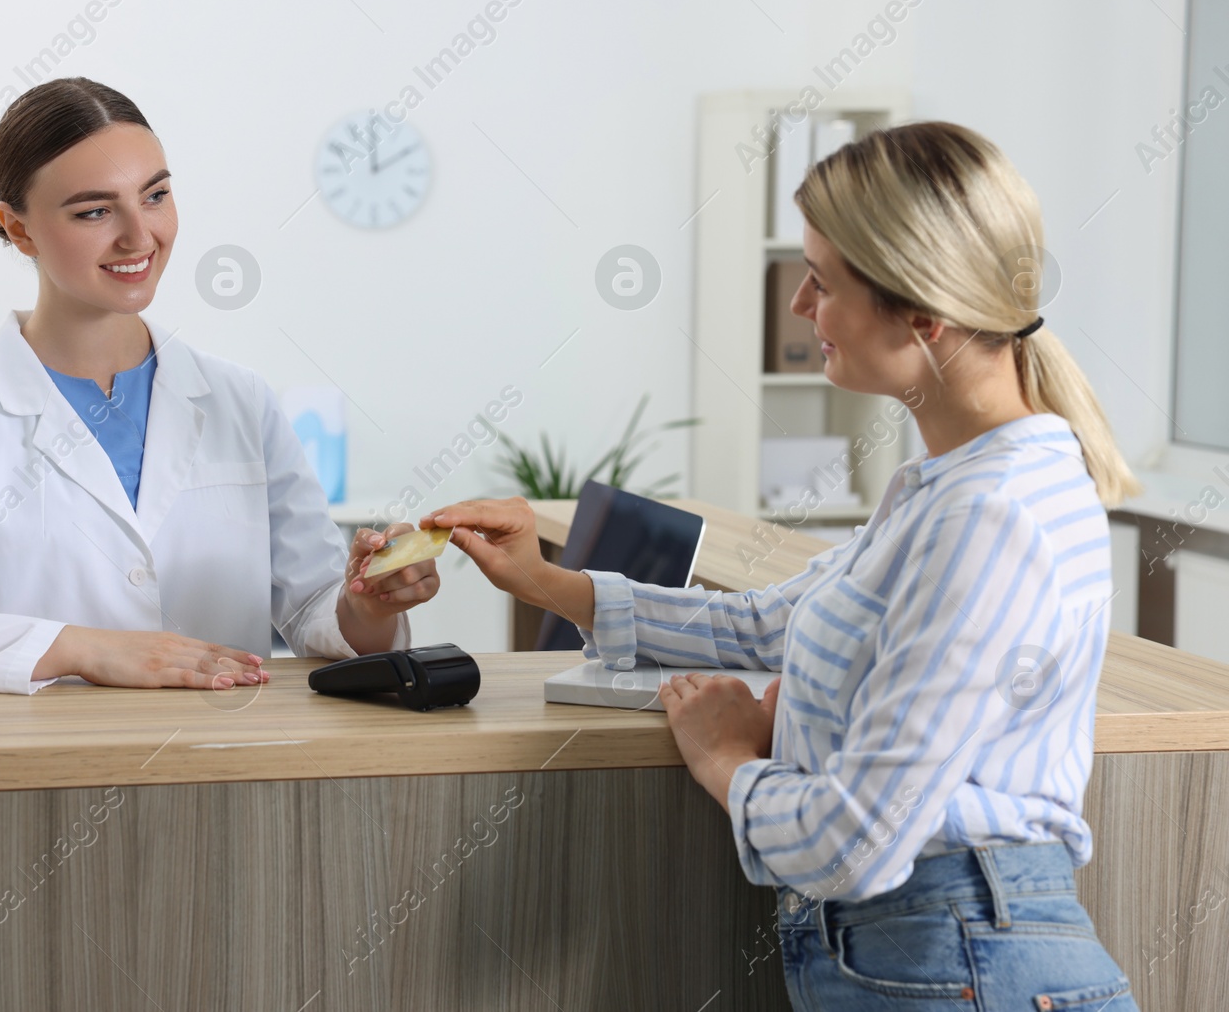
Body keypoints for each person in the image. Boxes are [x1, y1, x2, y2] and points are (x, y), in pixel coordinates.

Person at [426, 122, 1142, 1009]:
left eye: (823, 282)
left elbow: (859, 840)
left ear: (924, 313)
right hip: (930, 954)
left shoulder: (991, 516)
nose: (801, 306)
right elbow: (771, 623)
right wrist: (545, 580)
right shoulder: (945, 486)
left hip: (953, 958)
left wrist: (727, 761)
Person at [0, 77, 438, 695]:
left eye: (155, 195)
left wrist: (364, 605)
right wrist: (79, 647)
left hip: (232, 770)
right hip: (38, 775)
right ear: (18, 227)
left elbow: (314, 611)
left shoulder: (241, 401)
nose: (139, 235)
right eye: (95, 210)